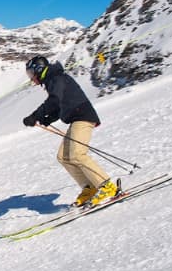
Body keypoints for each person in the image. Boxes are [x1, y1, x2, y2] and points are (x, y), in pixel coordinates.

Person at [22, 55, 118, 207]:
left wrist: (35, 116)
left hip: (83, 116)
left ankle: (107, 186)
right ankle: (89, 188)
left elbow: (54, 100)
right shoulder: (52, 80)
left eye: (31, 74)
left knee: (77, 154)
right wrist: (48, 119)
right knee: (63, 157)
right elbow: (59, 105)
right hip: (76, 118)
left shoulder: (56, 78)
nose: (31, 78)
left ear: (39, 69)